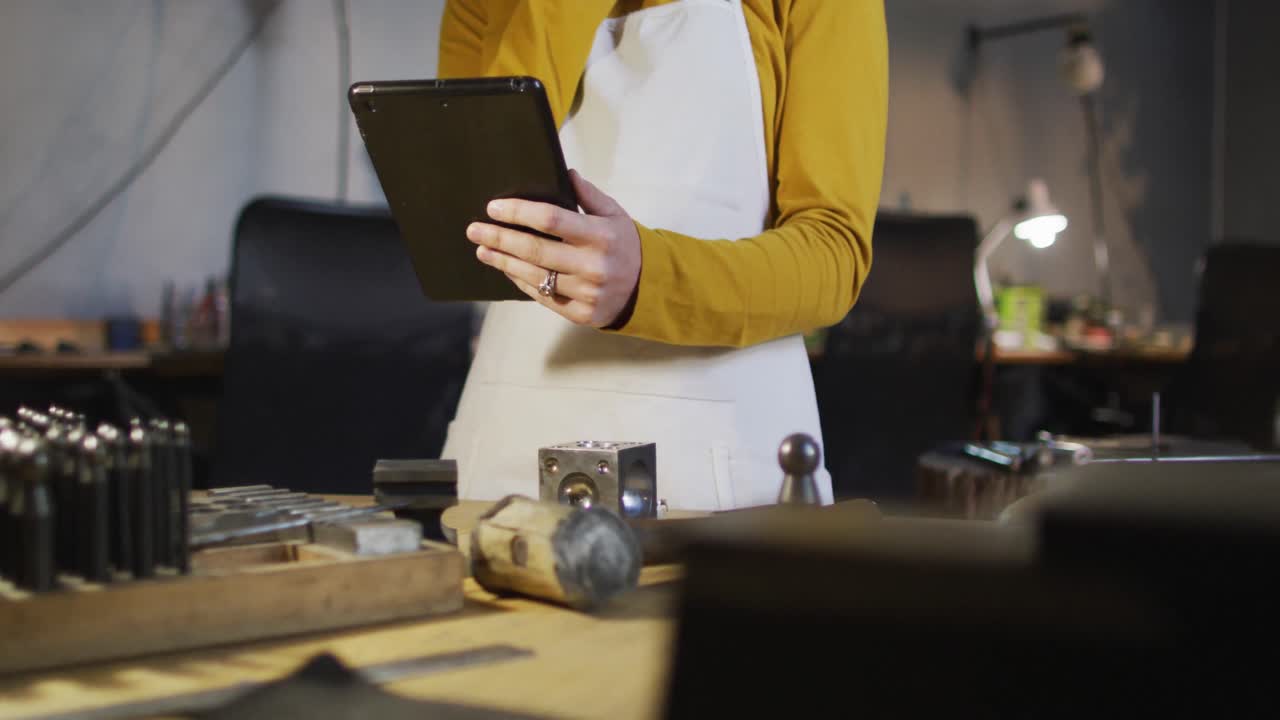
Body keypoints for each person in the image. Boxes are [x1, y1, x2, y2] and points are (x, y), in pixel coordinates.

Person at [437, 0, 887, 511]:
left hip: (717, 469)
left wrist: (648, 281)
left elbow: (834, 252)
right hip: (506, 455)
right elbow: (470, 211)